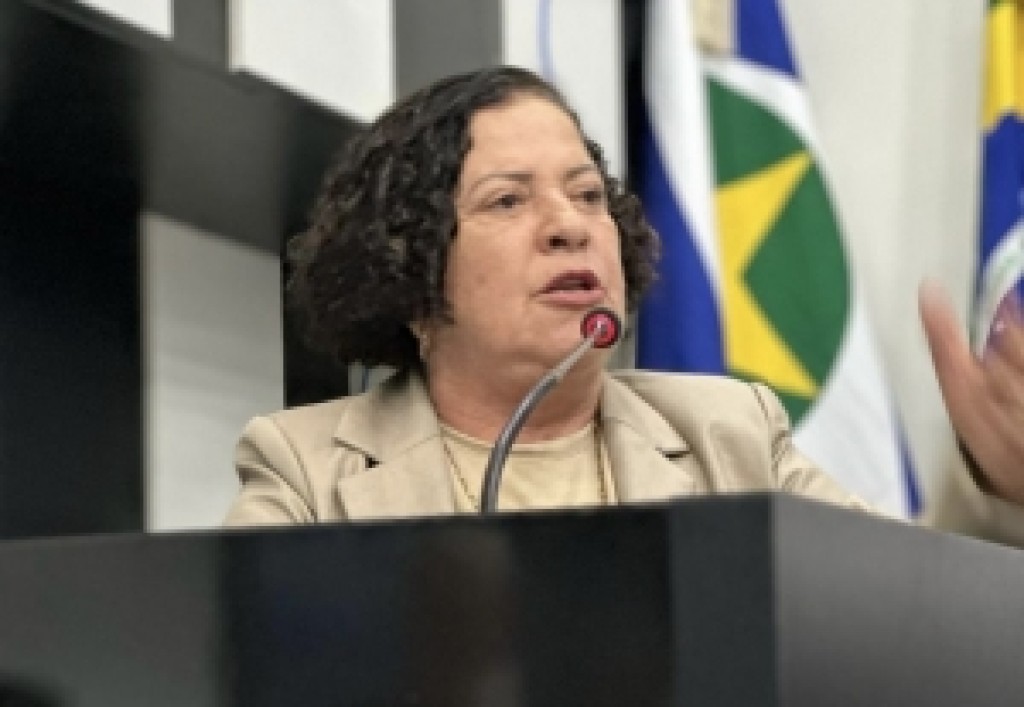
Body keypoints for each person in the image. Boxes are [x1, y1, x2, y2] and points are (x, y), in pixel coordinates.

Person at [225, 66, 1024, 540]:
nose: (570, 225)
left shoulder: (730, 435)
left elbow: (898, 613)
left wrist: (993, 488)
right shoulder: (307, 471)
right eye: (508, 201)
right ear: (409, 270)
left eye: (586, 194)